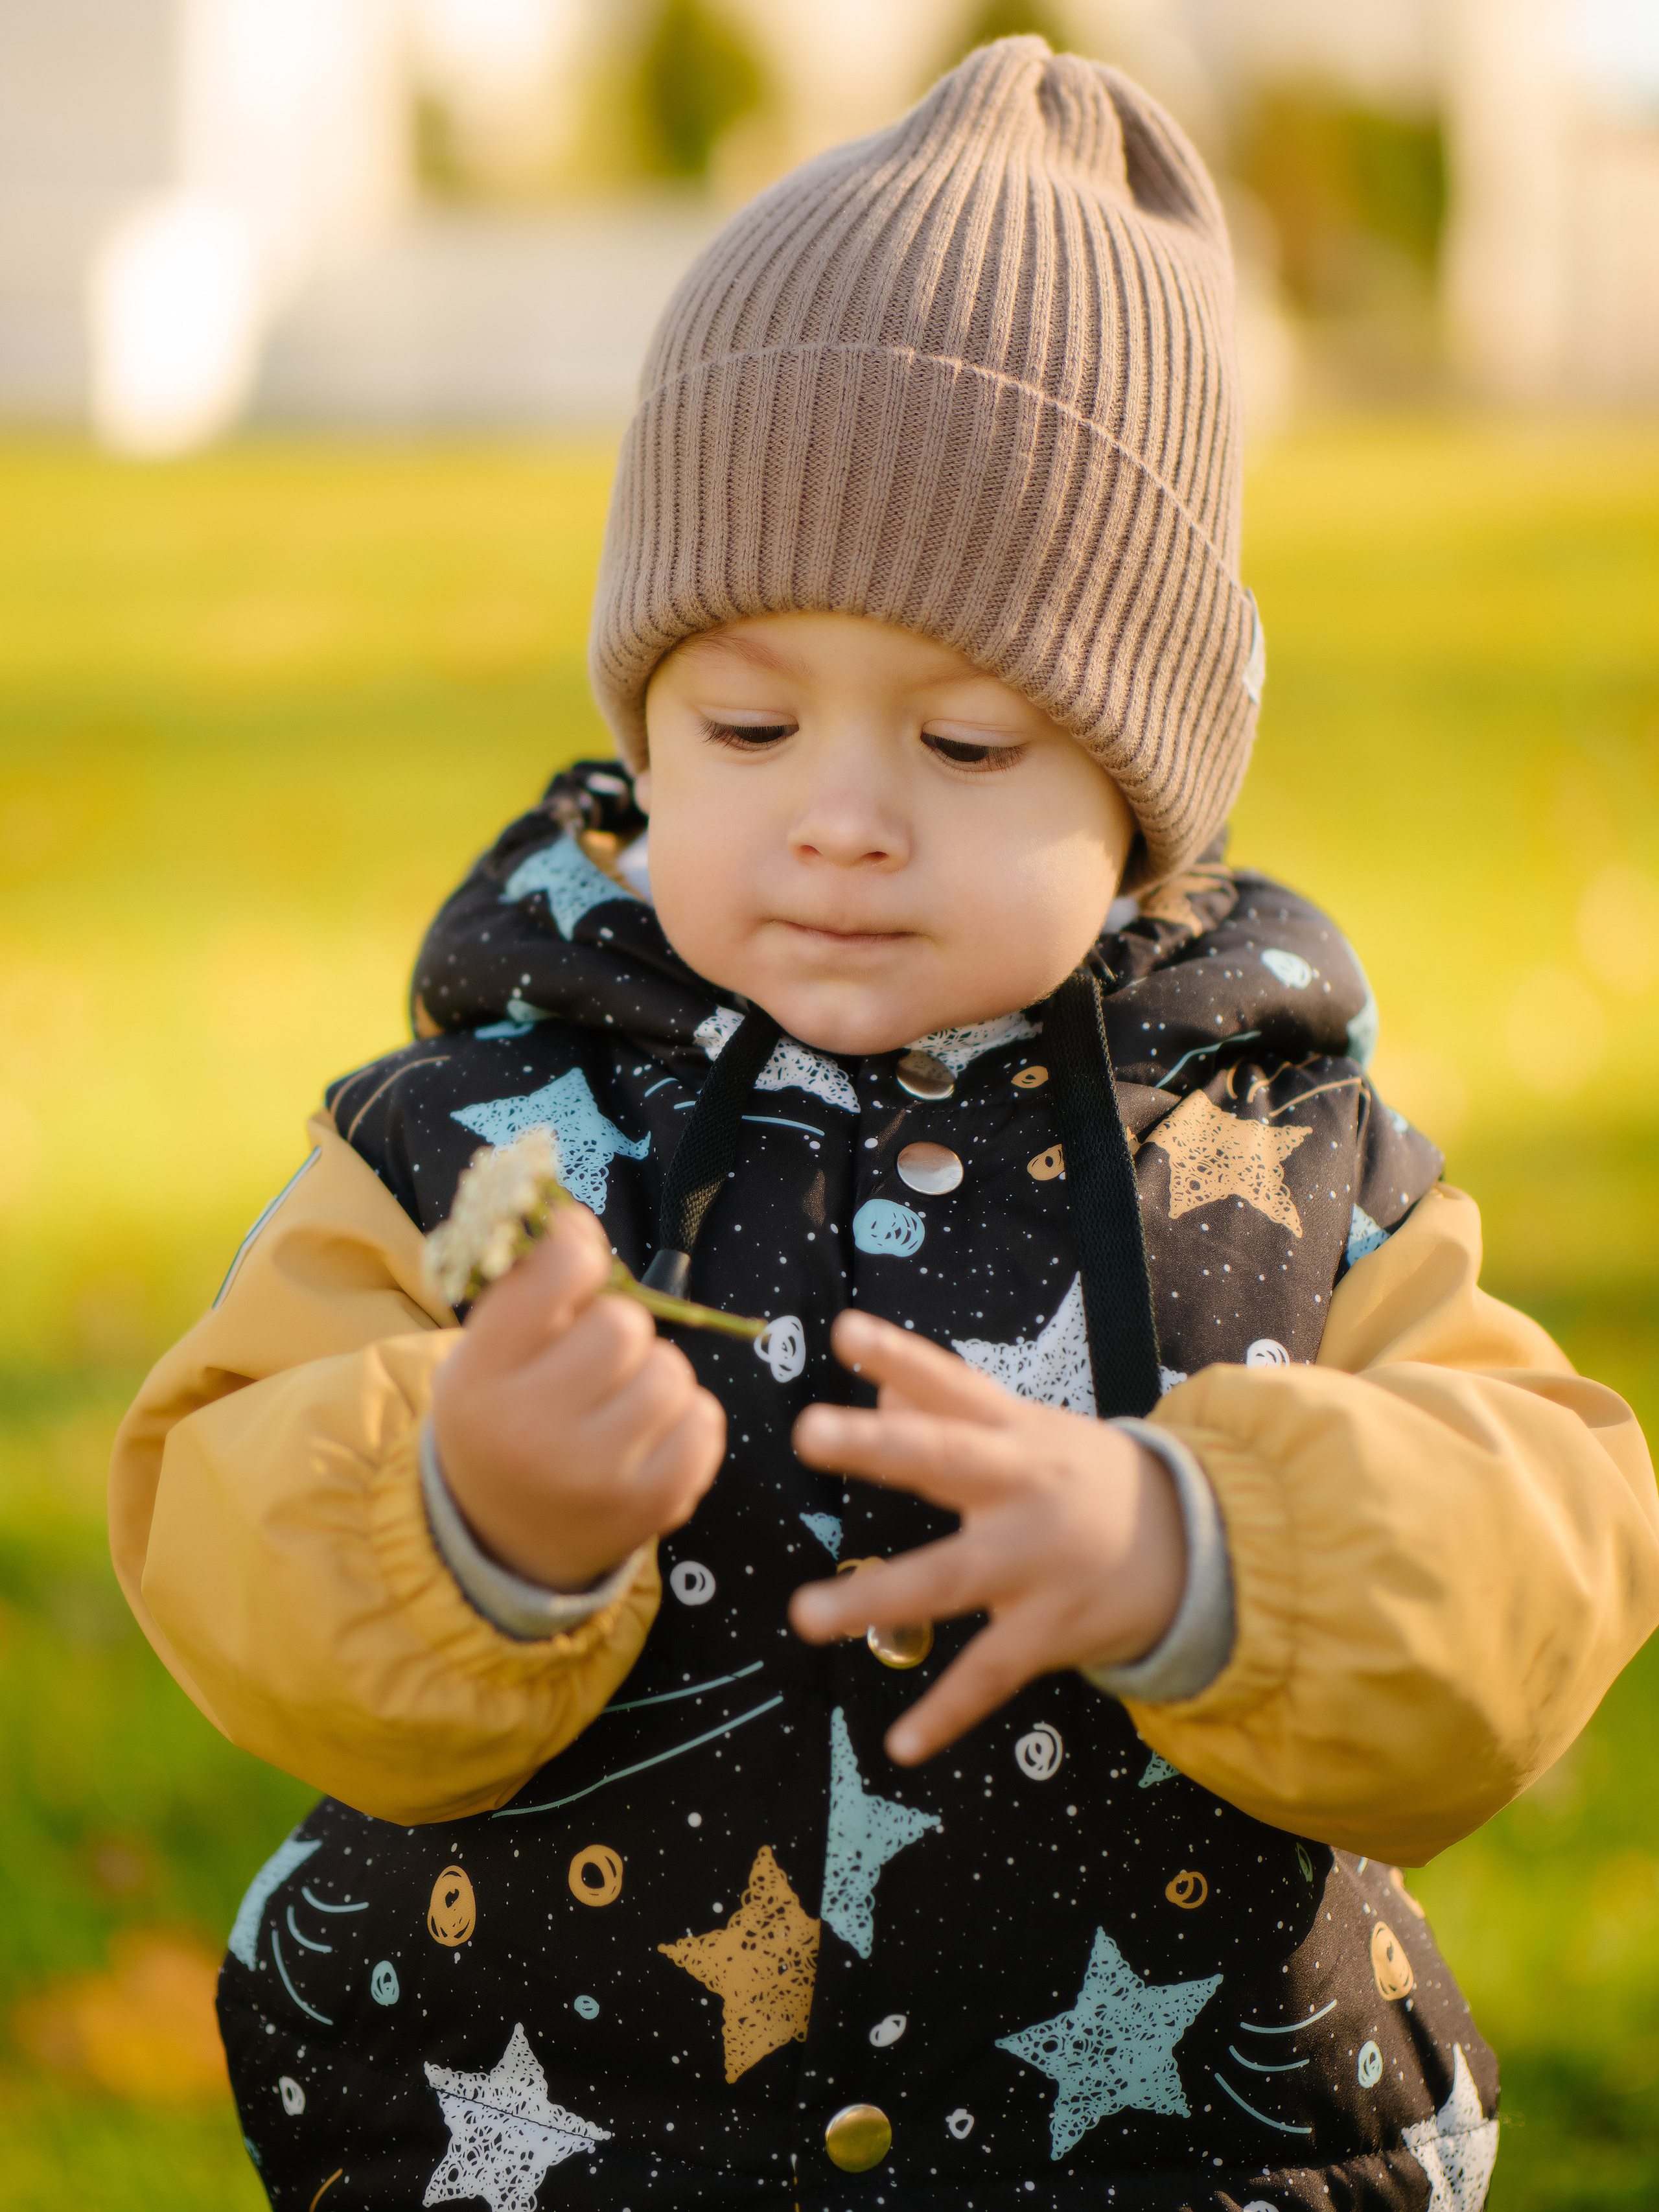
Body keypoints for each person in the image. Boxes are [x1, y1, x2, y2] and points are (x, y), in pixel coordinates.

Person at [111, 38, 1658, 2212]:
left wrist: (1204, 1556)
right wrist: (461, 1509)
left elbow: (1552, 1554)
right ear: (642, 718)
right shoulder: (484, 1135)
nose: (840, 818)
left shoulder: (1283, 1173)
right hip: (560, 2145)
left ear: (1141, 800)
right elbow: (211, 1504)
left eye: (963, 739)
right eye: (744, 722)